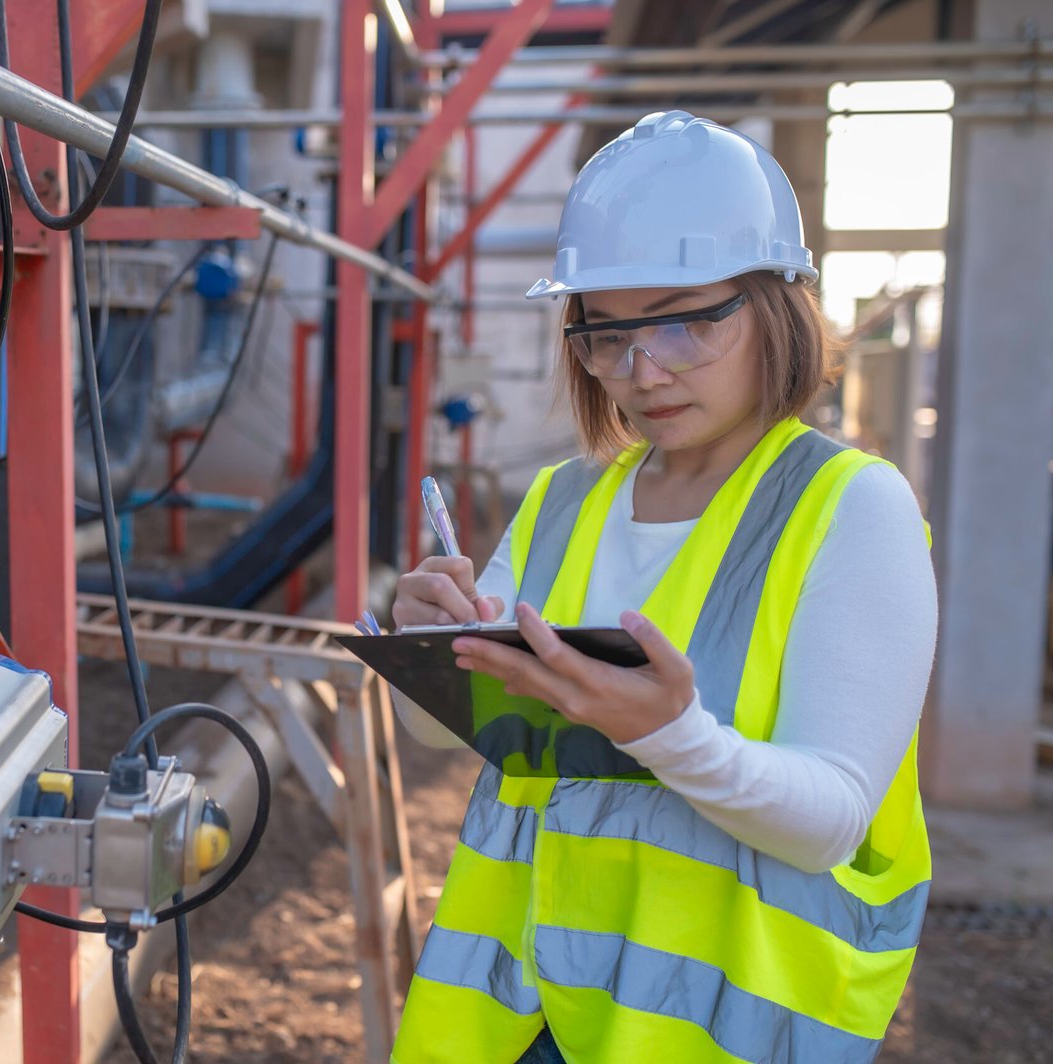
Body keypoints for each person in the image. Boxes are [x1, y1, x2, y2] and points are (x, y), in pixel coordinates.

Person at [389, 111, 937, 1063]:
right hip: (514, 1015)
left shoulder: (853, 510)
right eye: (607, 334)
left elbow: (833, 819)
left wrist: (668, 735)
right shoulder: (563, 501)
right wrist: (430, 652)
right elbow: (452, 735)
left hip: (704, 1033)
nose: (644, 371)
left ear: (777, 305)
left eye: (685, 320)